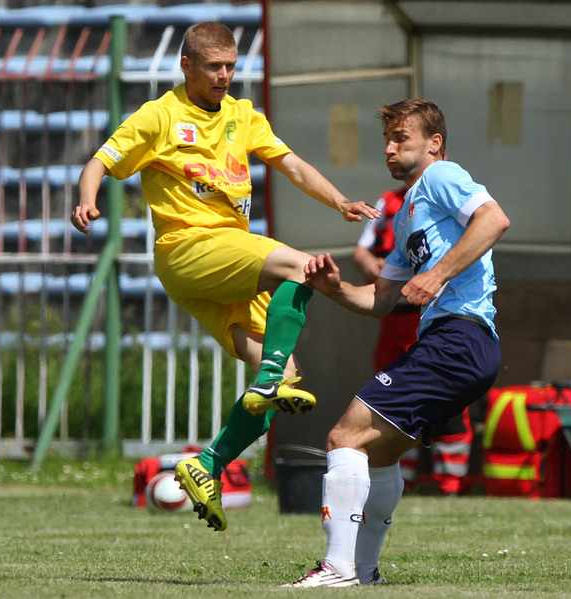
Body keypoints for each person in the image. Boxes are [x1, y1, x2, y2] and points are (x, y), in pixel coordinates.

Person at [70, 22, 379, 533]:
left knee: (285, 377)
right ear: (187, 66)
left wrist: (340, 201)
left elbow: (293, 165)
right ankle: (264, 382)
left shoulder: (242, 114)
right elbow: (98, 163)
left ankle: (206, 465)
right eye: (214, 66)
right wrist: (87, 200)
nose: (225, 75)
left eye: (231, 65)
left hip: (227, 258)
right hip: (188, 249)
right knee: (304, 267)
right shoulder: (159, 116)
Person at [289, 98, 510, 587]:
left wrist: (437, 275)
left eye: (401, 139)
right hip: (462, 345)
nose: (389, 149)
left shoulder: (442, 176)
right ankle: (364, 572)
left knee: (344, 437)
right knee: (378, 452)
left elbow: (494, 220)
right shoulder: (408, 212)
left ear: (434, 144)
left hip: (459, 337)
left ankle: (338, 567)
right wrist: (335, 289)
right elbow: (382, 299)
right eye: (386, 140)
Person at [354, 188, 474, 496]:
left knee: (447, 397)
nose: (391, 151)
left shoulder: (449, 193)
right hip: (391, 317)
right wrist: (372, 266)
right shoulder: (387, 200)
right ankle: (399, 482)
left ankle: (450, 484)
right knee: (392, 396)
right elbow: (362, 251)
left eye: (401, 140)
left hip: (429, 316)